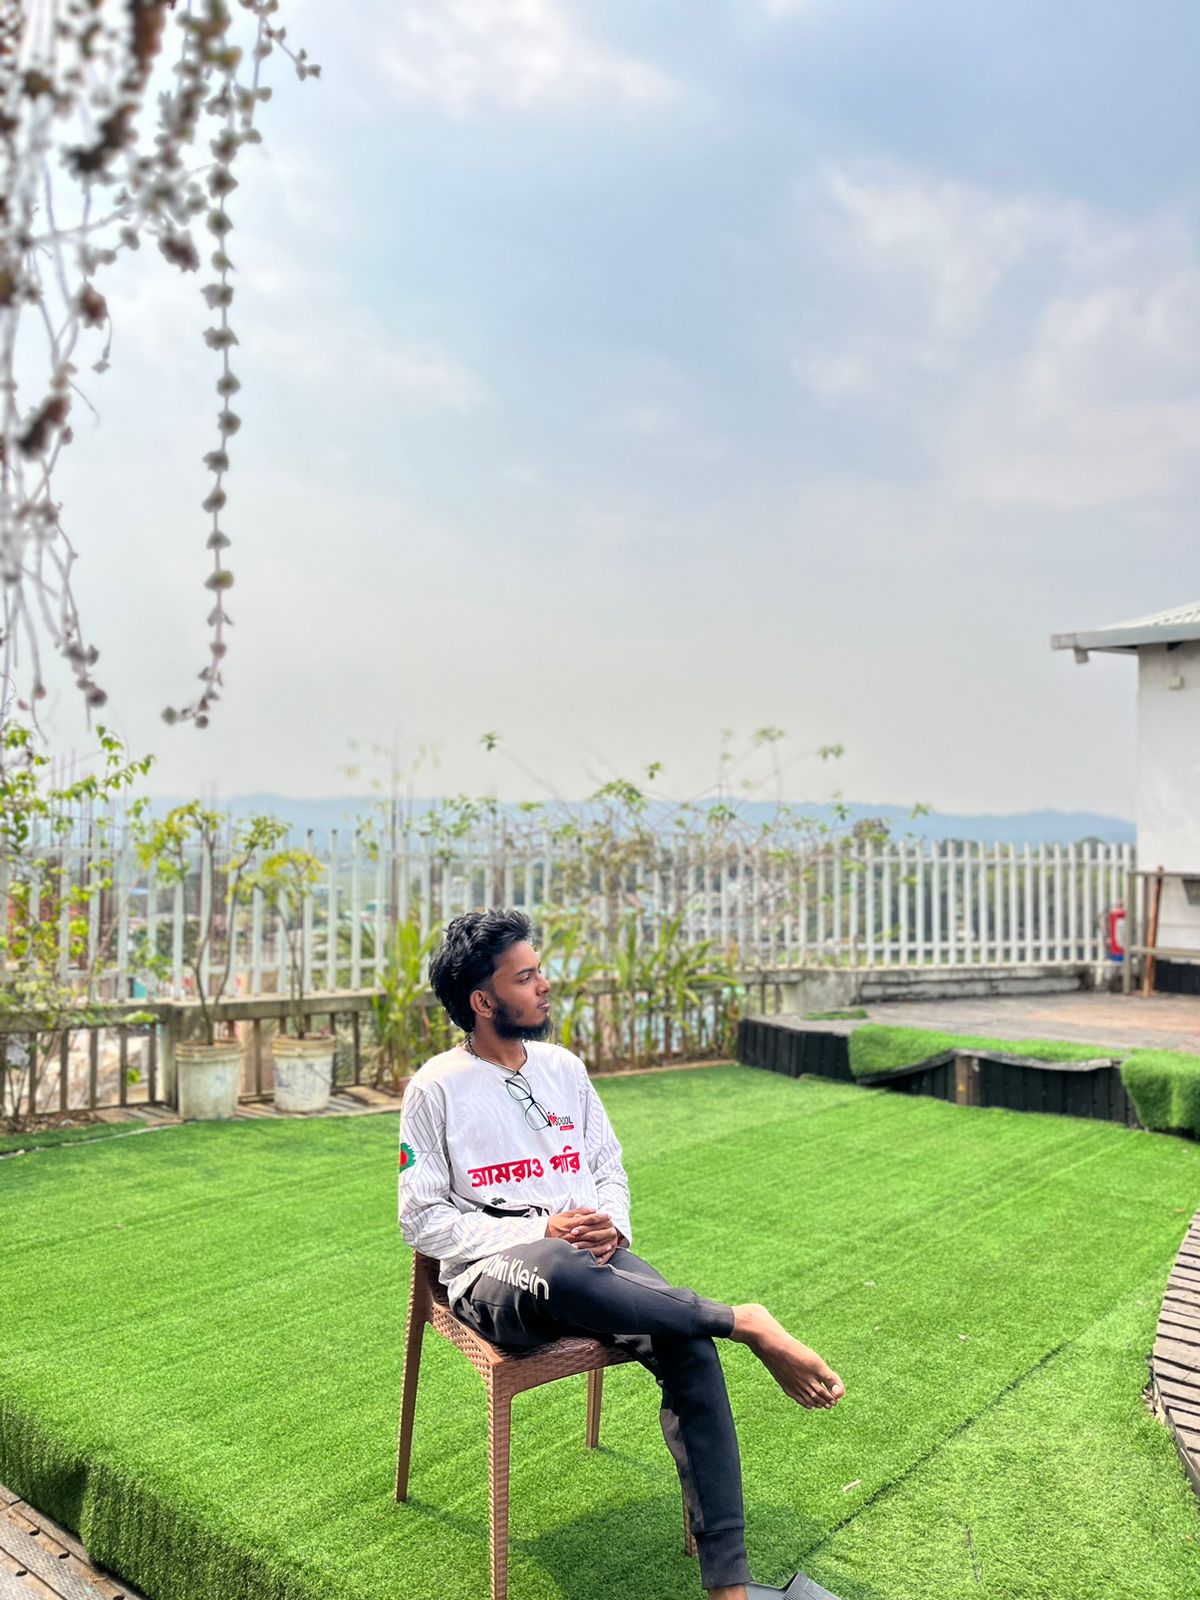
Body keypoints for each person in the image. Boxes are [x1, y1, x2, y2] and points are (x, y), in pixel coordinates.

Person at [398, 909, 845, 1600]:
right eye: (527, 977)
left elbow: (609, 1164)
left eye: (540, 968)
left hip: (593, 1265)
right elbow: (421, 1217)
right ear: (484, 1002)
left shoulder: (564, 1069)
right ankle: (743, 1319)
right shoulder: (435, 1088)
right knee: (561, 1264)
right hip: (497, 1281)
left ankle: (731, 1587)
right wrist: (540, 1231)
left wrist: (616, 1229)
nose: (546, 985)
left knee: (685, 1343)